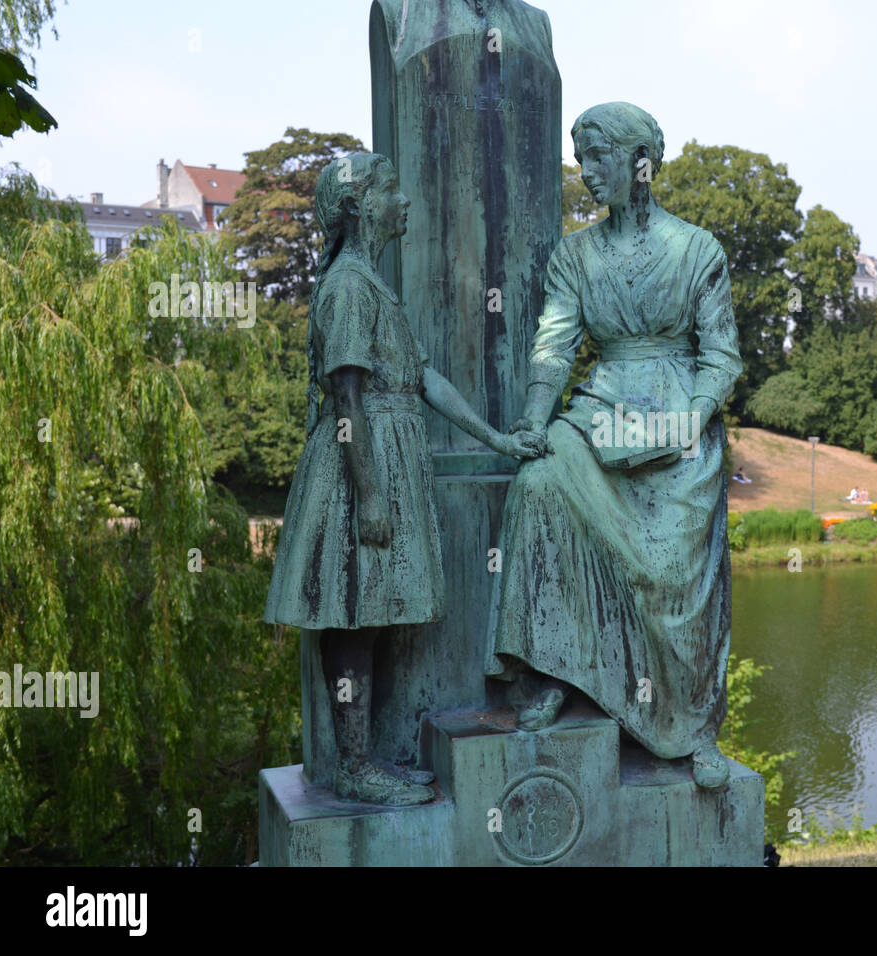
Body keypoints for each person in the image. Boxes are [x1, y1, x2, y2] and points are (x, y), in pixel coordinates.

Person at [263, 153, 542, 806]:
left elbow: (424, 379)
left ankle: (363, 761)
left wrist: (498, 438)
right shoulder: (350, 285)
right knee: (355, 619)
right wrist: (369, 497)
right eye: (391, 189)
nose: (405, 199)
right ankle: (356, 767)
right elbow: (348, 399)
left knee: (371, 618)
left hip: (382, 460)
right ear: (361, 205)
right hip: (358, 469)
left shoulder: (369, 283)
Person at [487, 102, 742, 789]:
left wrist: (688, 417)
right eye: (580, 156)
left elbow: (721, 356)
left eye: (597, 156)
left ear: (640, 164)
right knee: (538, 486)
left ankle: (694, 729)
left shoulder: (697, 251)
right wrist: (536, 418)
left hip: (678, 420)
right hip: (599, 415)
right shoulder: (575, 254)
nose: (585, 171)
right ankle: (549, 672)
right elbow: (554, 344)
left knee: (669, 576)